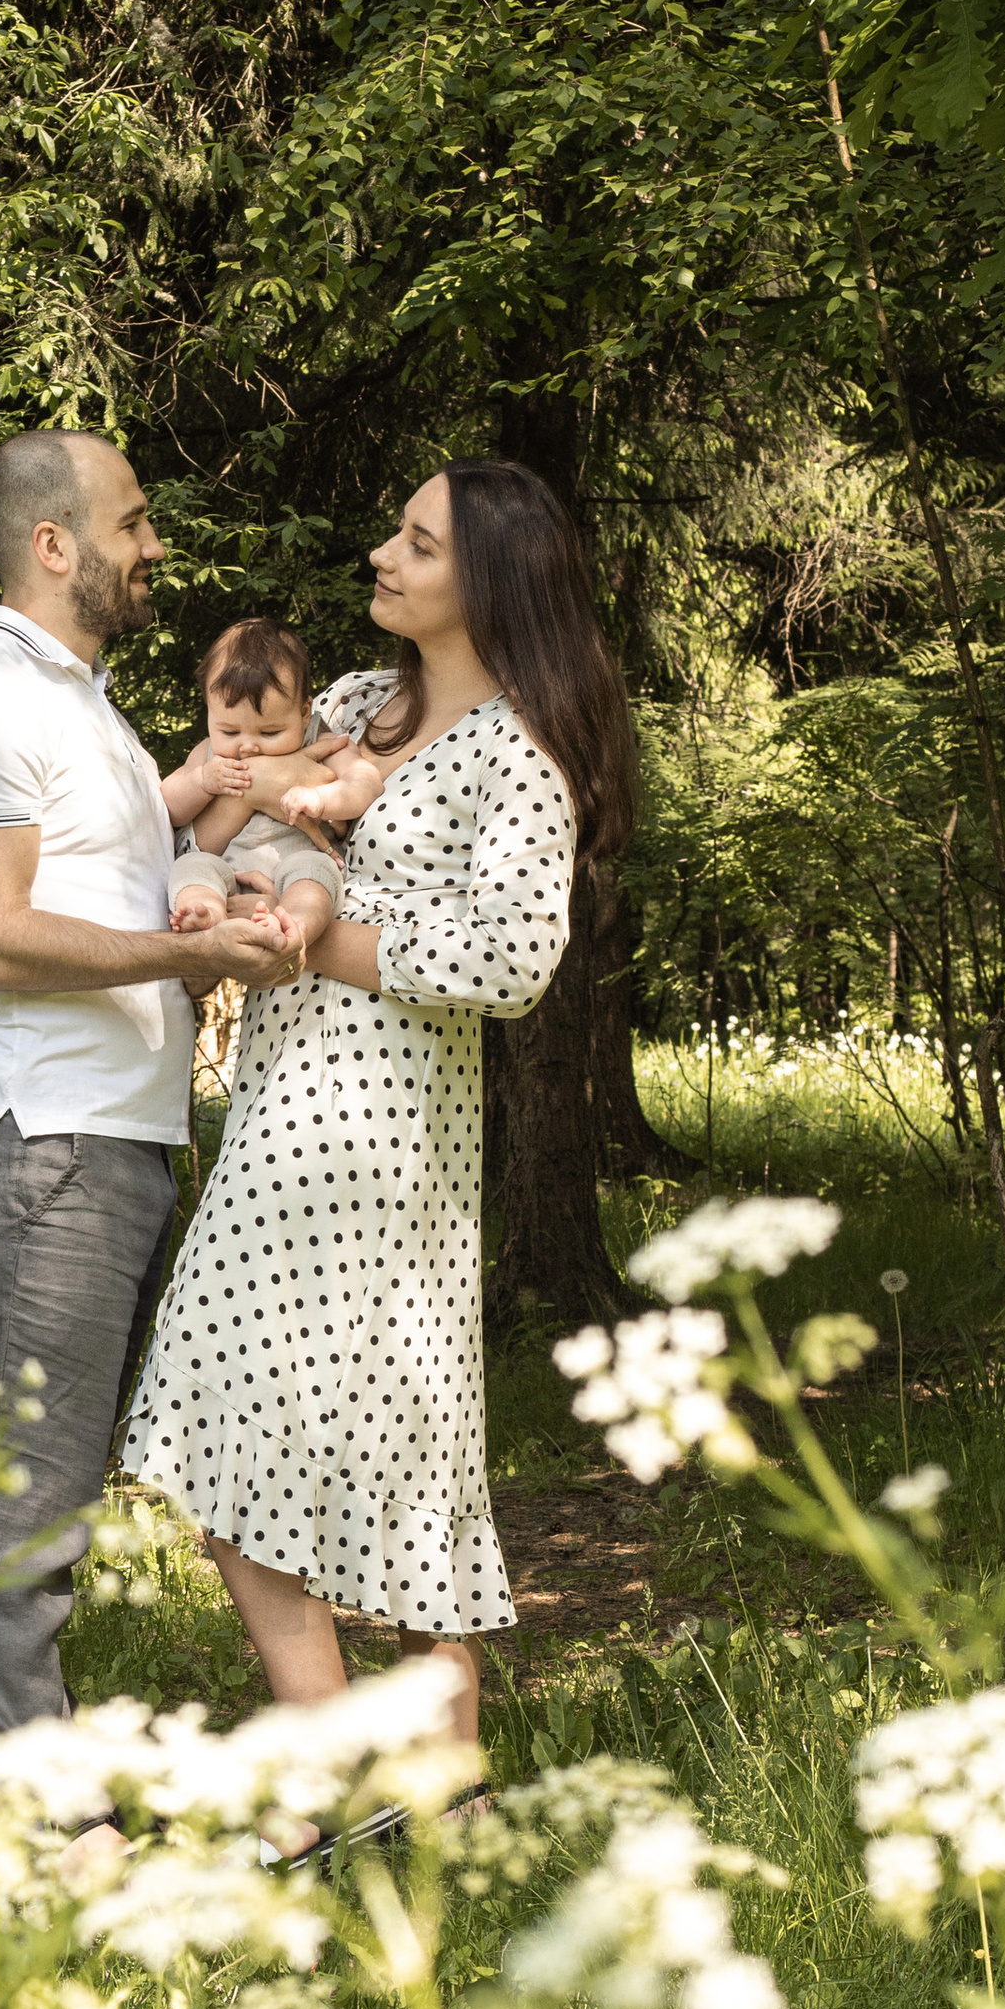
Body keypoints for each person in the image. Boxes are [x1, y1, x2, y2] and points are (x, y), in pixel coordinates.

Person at [121, 456, 637, 1777]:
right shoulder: (353, 701)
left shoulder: (515, 754)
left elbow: (514, 962)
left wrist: (326, 935)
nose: (383, 557)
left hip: (383, 1129)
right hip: (284, 1101)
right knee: (263, 1435)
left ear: (489, 584)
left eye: (416, 543)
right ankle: (407, 1790)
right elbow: (233, 817)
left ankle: (407, 1793)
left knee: (341, 1436)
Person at [0, 431, 302, 1740]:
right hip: (41, 1152)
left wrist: (212, 914)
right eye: (131, 523)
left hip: (118, 1144)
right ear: (53, 544)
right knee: (26, 1511)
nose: (153, 547)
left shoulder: (86, 711)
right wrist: (187, 949)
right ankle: (40, 1821)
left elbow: (114, 913)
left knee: (56, 1493)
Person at [163, 617, 358, 957]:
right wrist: (201, 781)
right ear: (209, 713)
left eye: (269, 733)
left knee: (315, 875)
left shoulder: (322, 738)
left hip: (298, 861)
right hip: (227, 871)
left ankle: (293, 926)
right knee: (191, 868)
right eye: (229, 732)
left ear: (303, 712)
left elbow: (363, 784)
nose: (248, 746)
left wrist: (321, 798)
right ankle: (205, 914)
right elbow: (168, 806)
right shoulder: (207, 755)